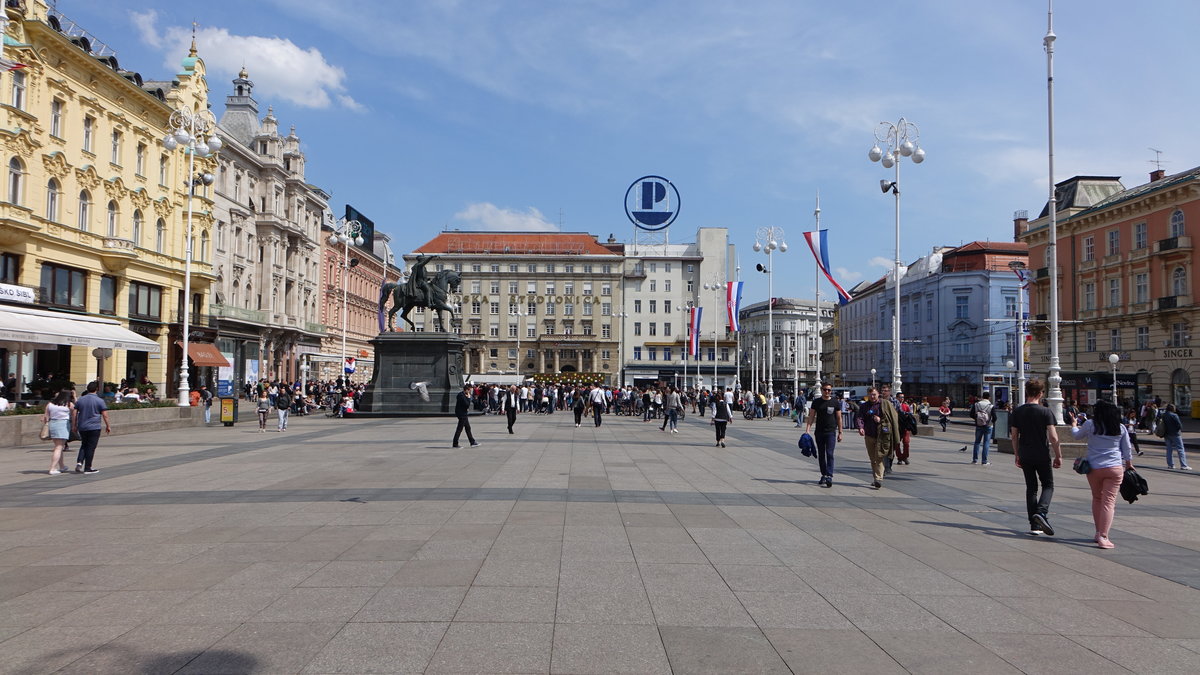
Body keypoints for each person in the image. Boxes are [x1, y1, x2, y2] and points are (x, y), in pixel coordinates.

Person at [1069, 399, 1134, 549]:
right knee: (1109, 502)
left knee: (1097, 498)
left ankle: (1098, 532)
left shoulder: (1090, 424)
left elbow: (1077, 436)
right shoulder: (1120, 427)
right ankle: (1104, 536)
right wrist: (1129, 465)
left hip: (1094, 468)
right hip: (1114, 468)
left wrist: (1073, 425)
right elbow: (1127, 449)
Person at [1009, 379, 1062, 536]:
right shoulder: (1045, 411)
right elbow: (1053, 437)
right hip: (1041, 454)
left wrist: (1017, 454)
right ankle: (1041, 512)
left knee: (1031, 488)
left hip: (1025, 454)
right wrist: (1058, 455)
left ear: (1026, 392)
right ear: (1041, 393)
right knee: (1048, 485)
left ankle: (1034, 525)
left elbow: (1013, 436)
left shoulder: (1017, 411)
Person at [857, 386, 900, 489]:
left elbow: (892, 418)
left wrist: (880, 420)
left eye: (874, 394)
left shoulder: (884, 404)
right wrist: (861, 427)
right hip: (869, 435)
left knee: (879, 457)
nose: (872, 396)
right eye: (870, 394)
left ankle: (878, 479)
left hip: (882, 435)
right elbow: (860, 417)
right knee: (873, 459)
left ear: (878, 394)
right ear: (868, 395)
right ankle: (876, 478)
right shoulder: (864, 406)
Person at [805, 382, 843, 487]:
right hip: (819, 432)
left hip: (831, 432)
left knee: (829, 453)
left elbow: (839, 418)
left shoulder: (835, 402)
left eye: (829, 390)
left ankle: (829, 475)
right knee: (821, 454)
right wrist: (808, 429)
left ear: (831, 391)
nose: (827, 391)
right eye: (825, 389)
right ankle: (824, 474)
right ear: (822, 390)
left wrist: (840, 432)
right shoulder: (817, 402)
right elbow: (811, 416)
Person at [72, 382, 109, 474]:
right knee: (91, 447)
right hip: (94, 427)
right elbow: (105, 415)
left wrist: (74, 425)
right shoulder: (99, 401)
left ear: (87, 389)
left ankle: (79, 462)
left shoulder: (80, 400)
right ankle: (88, 468)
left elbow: (74, 413)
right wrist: (108, 425)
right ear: (96, 389)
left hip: (82, 426)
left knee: (84, 444)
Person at [43, 390, 74, 474]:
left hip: (53, 424)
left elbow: (45, 417)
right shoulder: (68, 404)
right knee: (59, 447)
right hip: (63, 424)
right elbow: (75, 413)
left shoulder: (50, 404)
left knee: (58, 446)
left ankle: (62, 466)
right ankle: (52, 468)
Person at [1159, 404, 1190, 470]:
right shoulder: (1174, 415)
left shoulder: (1164, 415)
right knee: (1180, 449)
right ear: (1172, 409)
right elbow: (1179, 425)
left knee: (1169, 450)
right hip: (1175, 434)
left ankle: (1170, 465)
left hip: (1166, 434)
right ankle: (1183, 465)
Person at [971, 392, 996, 465]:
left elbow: (971, 414)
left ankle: (975, 460)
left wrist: (977, 420)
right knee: (986, 443)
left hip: (978, 425)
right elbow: (995, 417)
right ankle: (984, 461)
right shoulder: (991, 406)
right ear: (989, 397)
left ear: (982, 397)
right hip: (988, 426)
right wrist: (991, 422)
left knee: (977, 442)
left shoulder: (976, 404)